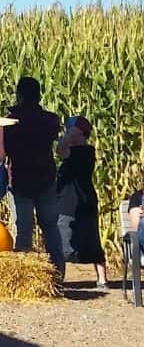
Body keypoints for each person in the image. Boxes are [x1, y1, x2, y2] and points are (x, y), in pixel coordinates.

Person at [0, 76, 65, 275]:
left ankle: (24, 276)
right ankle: (58, 273)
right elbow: (55, 138)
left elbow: (0, 155)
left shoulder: (8, 123)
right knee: (50, 227)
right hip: (46, 178)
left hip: (20, 180)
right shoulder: (50, 119)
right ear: (39, 95)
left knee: (23, 229)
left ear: (19, 95)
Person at [55, 116, 108, 290]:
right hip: (83, 201)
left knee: (64, 243)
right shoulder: (86, 151)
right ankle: (101, 279)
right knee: (90, 239)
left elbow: (59, 150)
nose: (66, 132)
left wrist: (68, 136)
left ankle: (58, 279)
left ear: (79, 133)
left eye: (70, 129)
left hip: (72, 204)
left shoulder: (83, 151)